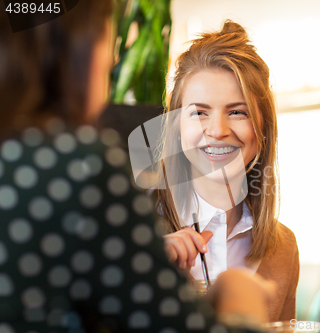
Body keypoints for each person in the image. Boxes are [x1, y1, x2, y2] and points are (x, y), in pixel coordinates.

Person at [0, 1, 276, 332]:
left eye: (238, 111)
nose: (113, 59)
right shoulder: (86, 169)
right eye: (105, 39)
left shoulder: (281, 246)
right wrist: (238, 296)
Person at [158, 20, 300, 322]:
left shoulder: (284, 249)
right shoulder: (131, 228)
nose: (218, 130)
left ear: (262, 127)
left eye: (237, 112)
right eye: (199, 112)